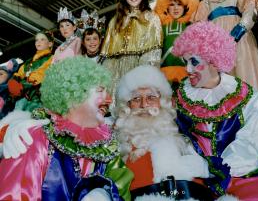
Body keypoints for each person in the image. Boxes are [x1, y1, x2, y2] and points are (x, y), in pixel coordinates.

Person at [171, 21, 258, 200]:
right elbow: (180, 140)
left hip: (247, 172)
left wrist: (212, 168)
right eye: (186, 62)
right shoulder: (181, 98)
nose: (187, 69)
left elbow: (249, 142)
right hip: (198, 179)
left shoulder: (246, 96)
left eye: (194, 62)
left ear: (214, 61)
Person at [0, 57, 133, 201]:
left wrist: (105, 193)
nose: (108, 100)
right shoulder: (35, 137)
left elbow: (122, 188)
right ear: (74, 93)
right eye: (100, 91)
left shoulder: (106, 145)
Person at [114, 65, 226, 201]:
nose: (144, 105)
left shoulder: (183, 133)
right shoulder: (116, 142)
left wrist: (203, 167)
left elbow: (214, 173)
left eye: (151, 97)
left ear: (162, 102)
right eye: (136, 99)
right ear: (127, 105)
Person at [192, 0, 258, 120]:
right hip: (217, 50)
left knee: (247, 80)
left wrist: (239, 30)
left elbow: (250, 13)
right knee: (224, 88)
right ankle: (231, 130)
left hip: (241, 43)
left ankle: (256, 126)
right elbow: (199, 29)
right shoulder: (205, 4)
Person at [99, 0, 162, 108]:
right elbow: (108, 57)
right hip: (116, 71)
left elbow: (153, 53)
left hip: (138, 67)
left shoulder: (151, 18)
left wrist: (142, 77)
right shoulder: (115, 20)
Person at [154, 0, 199, 86]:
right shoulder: (159, 26)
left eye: (179, 4)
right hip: (163, 73)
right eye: (172, 5)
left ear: (185, 6)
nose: (175, 8)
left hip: (187, 71)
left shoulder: (190, 26)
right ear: (165, 6)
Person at [8, 31, 53, 111]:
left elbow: (40, 75)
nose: (38, 42)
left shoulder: (51, 58)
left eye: (42, 39)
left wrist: (21, 86)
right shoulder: (29, 61)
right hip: (22, 98)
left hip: (38, 98)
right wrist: (14, 82)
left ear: (50, 44)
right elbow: (19, 73)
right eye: (36, 40)